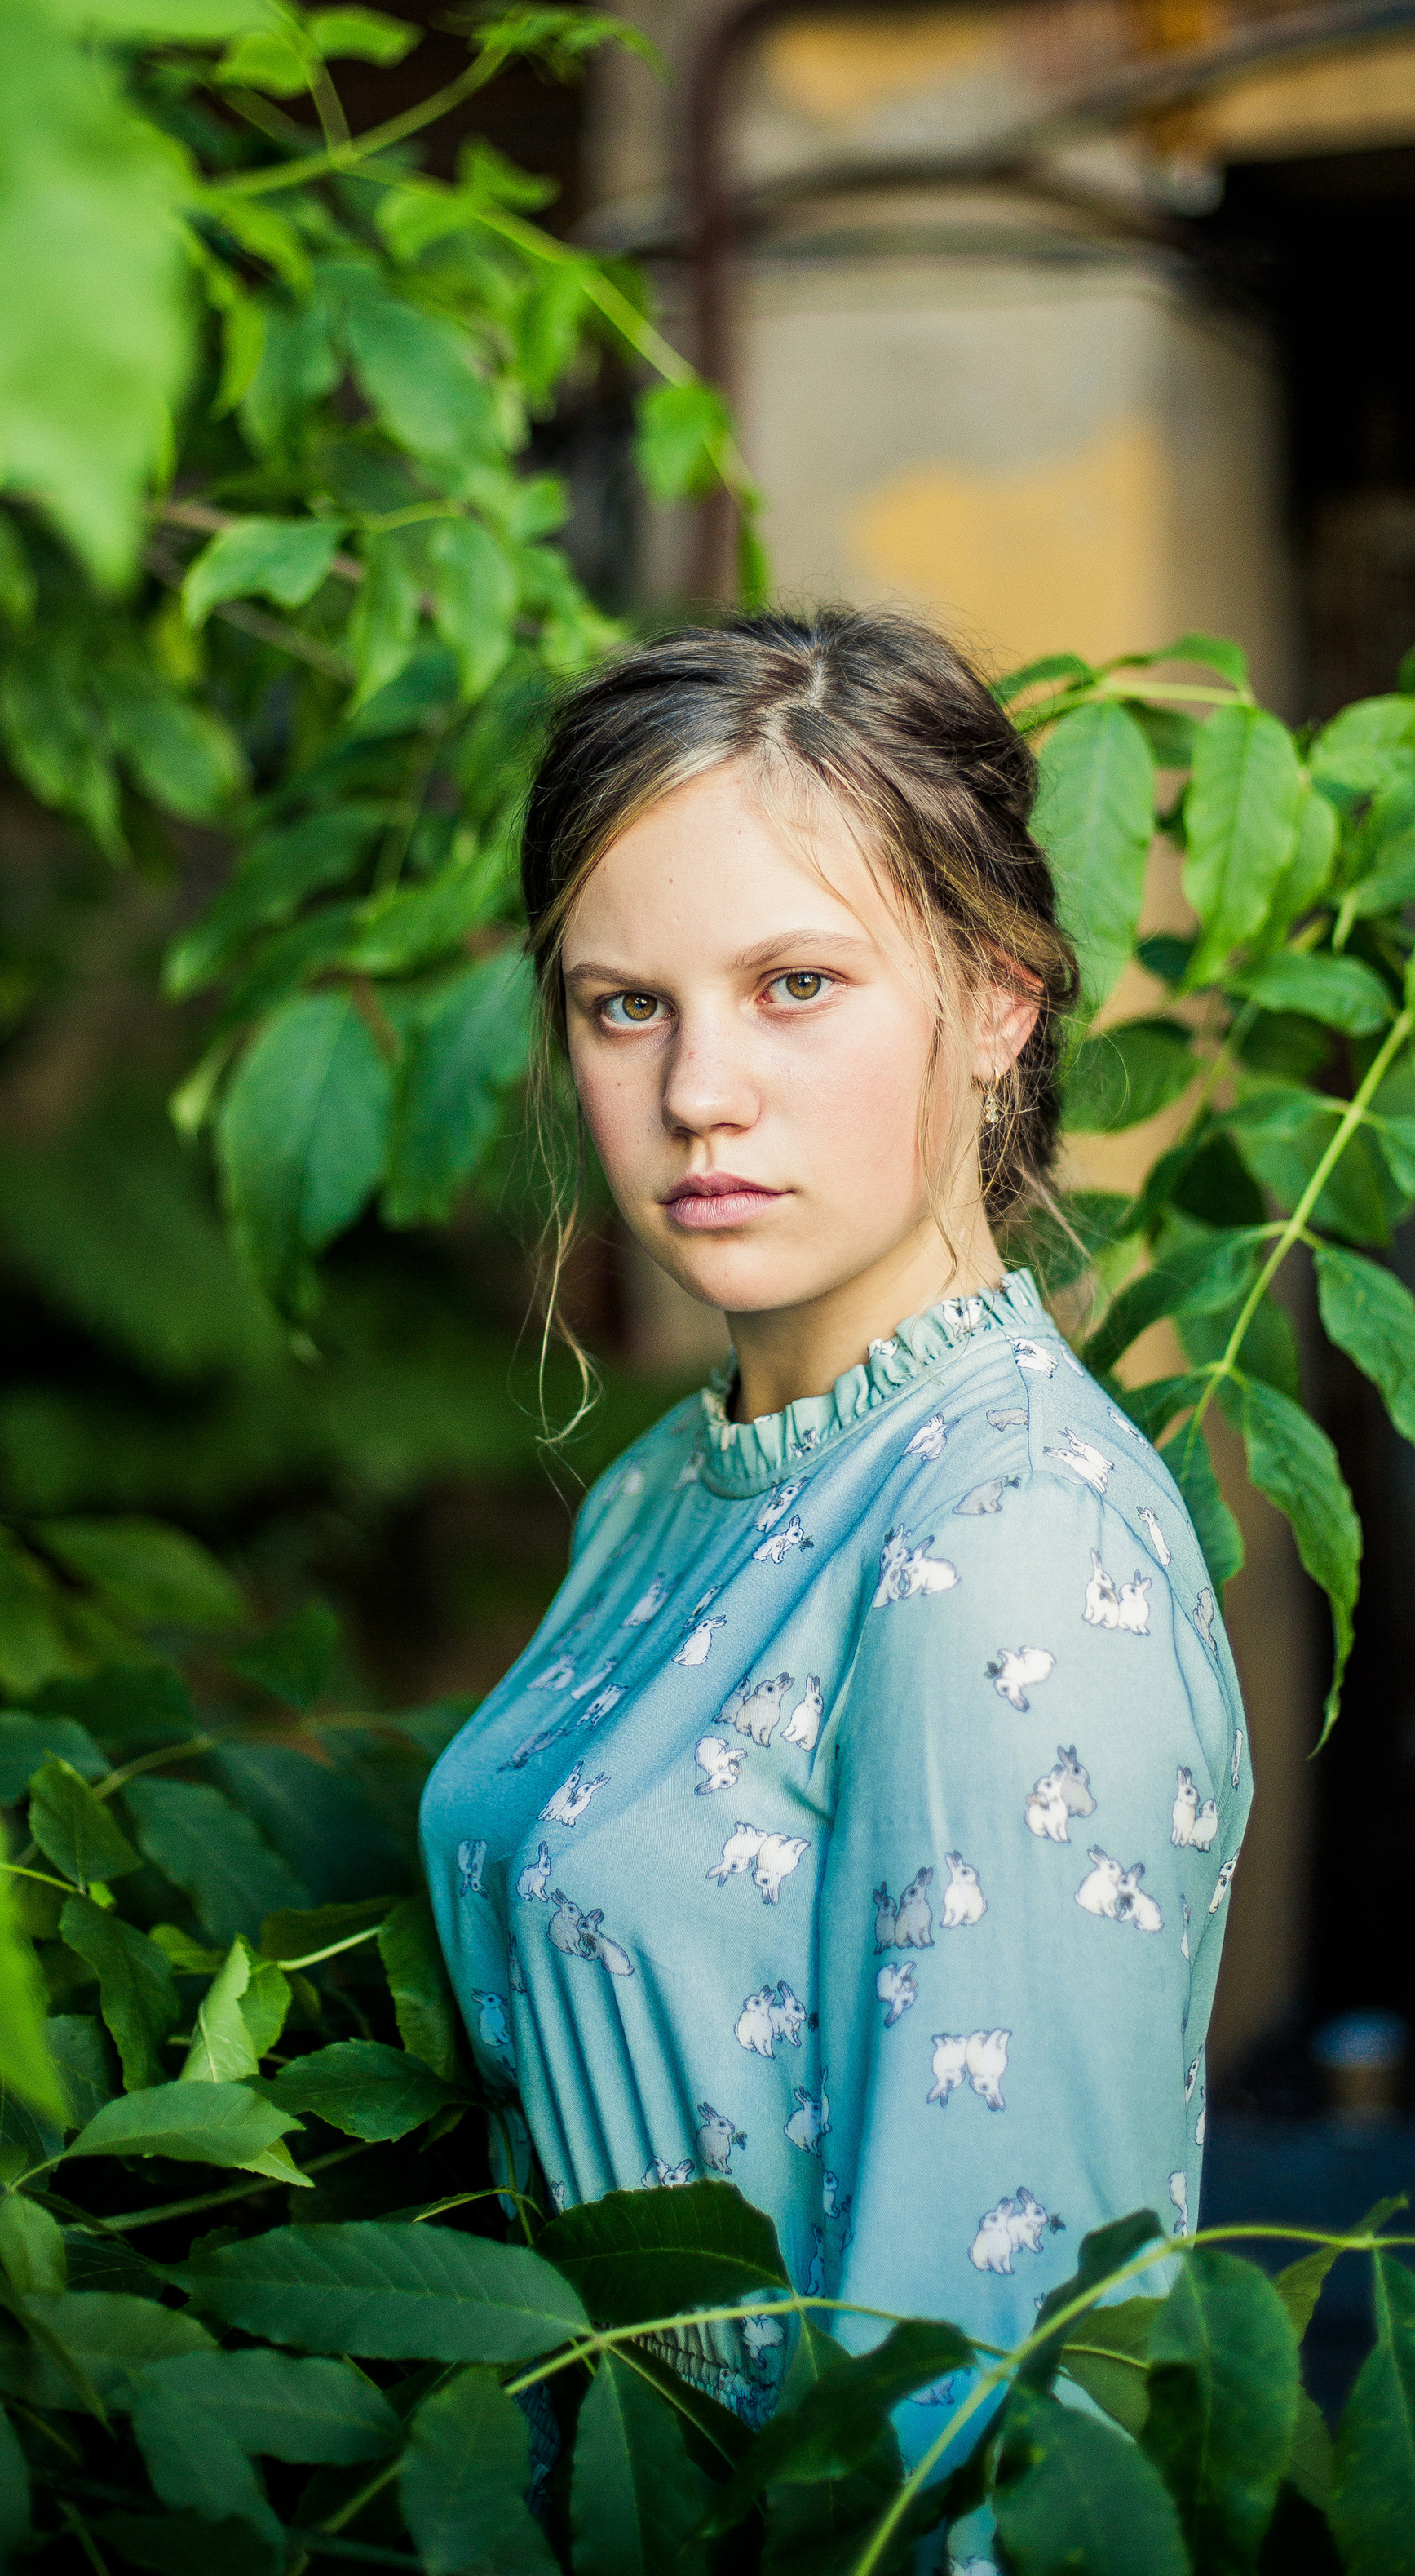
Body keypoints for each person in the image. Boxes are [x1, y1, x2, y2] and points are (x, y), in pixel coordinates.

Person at [419, 606, 1250, 2498]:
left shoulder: (1006, 1542)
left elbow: (989, 2391)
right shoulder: (656, 1493)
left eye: (794, 984)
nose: (696, 1090)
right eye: (627, 1004)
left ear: (997, 995)